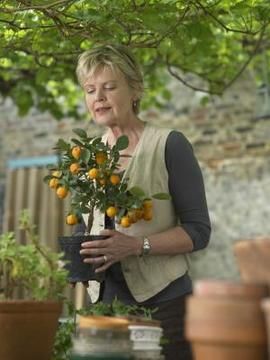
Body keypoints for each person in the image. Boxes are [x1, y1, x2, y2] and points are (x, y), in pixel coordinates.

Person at [77, 44, 211, 360]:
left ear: (135, 89)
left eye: (109, 87)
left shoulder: (169, 145)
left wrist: (137, 246)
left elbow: (198, 231)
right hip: (105, 306)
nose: (99, 97)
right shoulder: (87, 157)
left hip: (164, 304)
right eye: (90, 89)